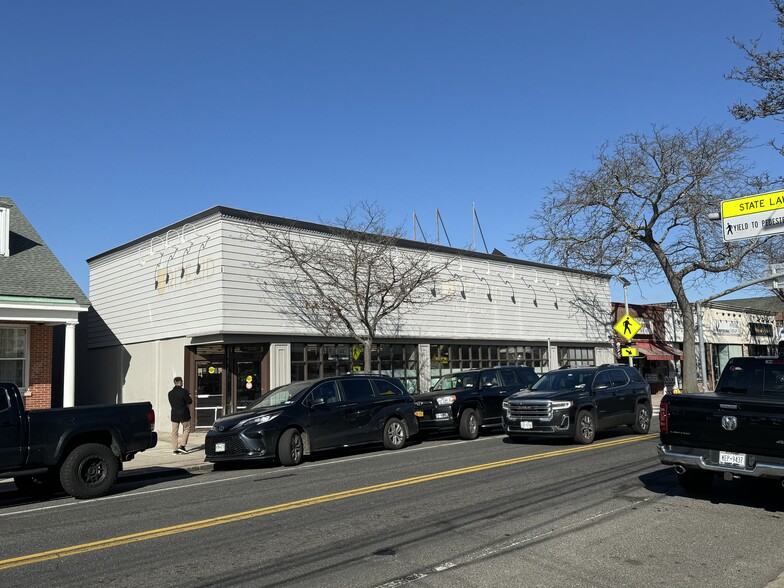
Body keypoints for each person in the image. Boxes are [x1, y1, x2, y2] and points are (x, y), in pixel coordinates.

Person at [168, 376, 192, 455]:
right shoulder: (184, 391)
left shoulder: (170, 393)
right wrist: (188, 396)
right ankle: (182, 446)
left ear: (175, 382)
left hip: (174, 414)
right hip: (183, 414)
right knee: (187, 429)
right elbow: (189, 401)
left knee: (174, 432)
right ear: (181, 382)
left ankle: (175, 450)